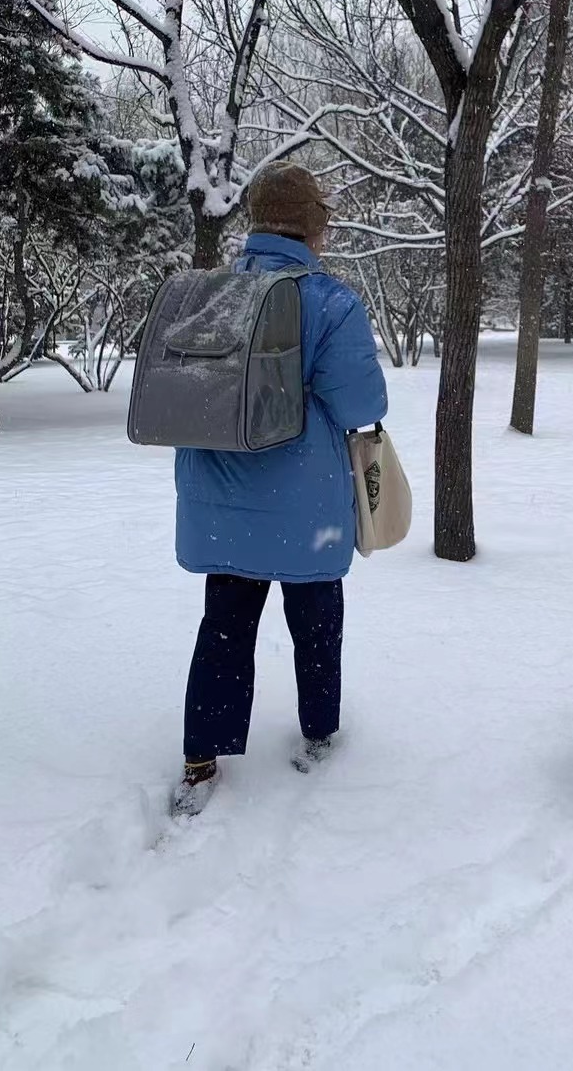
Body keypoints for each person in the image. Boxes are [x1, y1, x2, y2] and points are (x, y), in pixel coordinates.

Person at [172, 162, 388, 815]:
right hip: (306, 507)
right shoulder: (330, 302)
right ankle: (318, 733)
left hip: (221, 500)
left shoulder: (211, 293)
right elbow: (361, 405)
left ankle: (201, 758)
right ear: (314, 227)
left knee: (224, 628)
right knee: (316, 625)